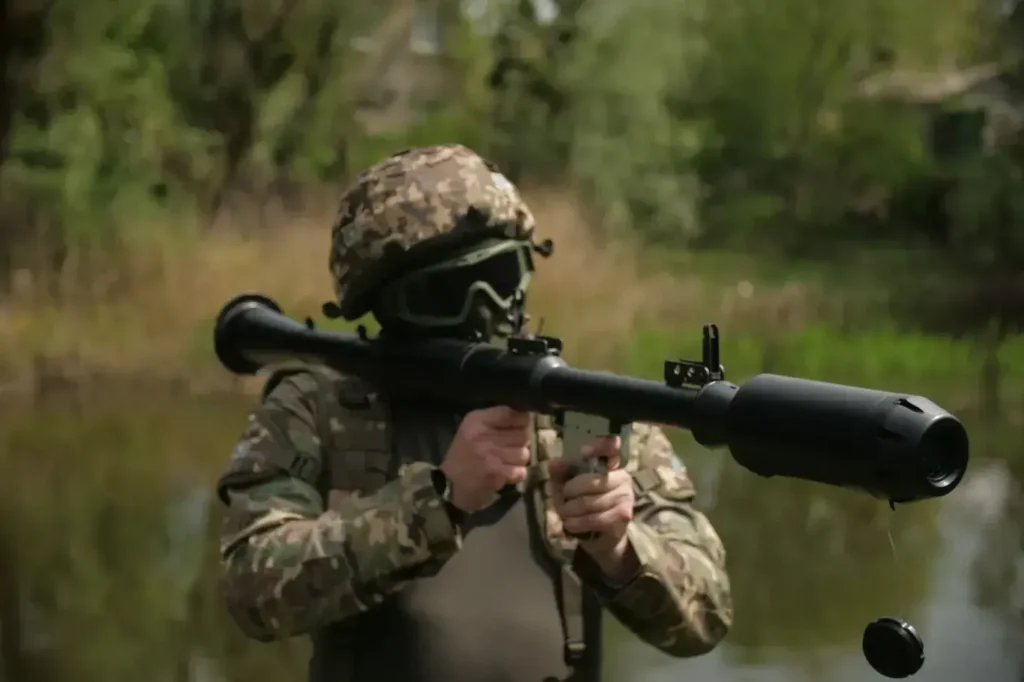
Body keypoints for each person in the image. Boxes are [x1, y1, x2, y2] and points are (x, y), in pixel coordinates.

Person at [216, 144, 733, 682]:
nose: (482, 311)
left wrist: (621, 551)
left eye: (501, 278)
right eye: (444, 293)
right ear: (383, 305)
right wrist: (439, 499)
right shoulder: (321, 409)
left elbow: (706, 618)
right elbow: (253, 589)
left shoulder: (584, 416)